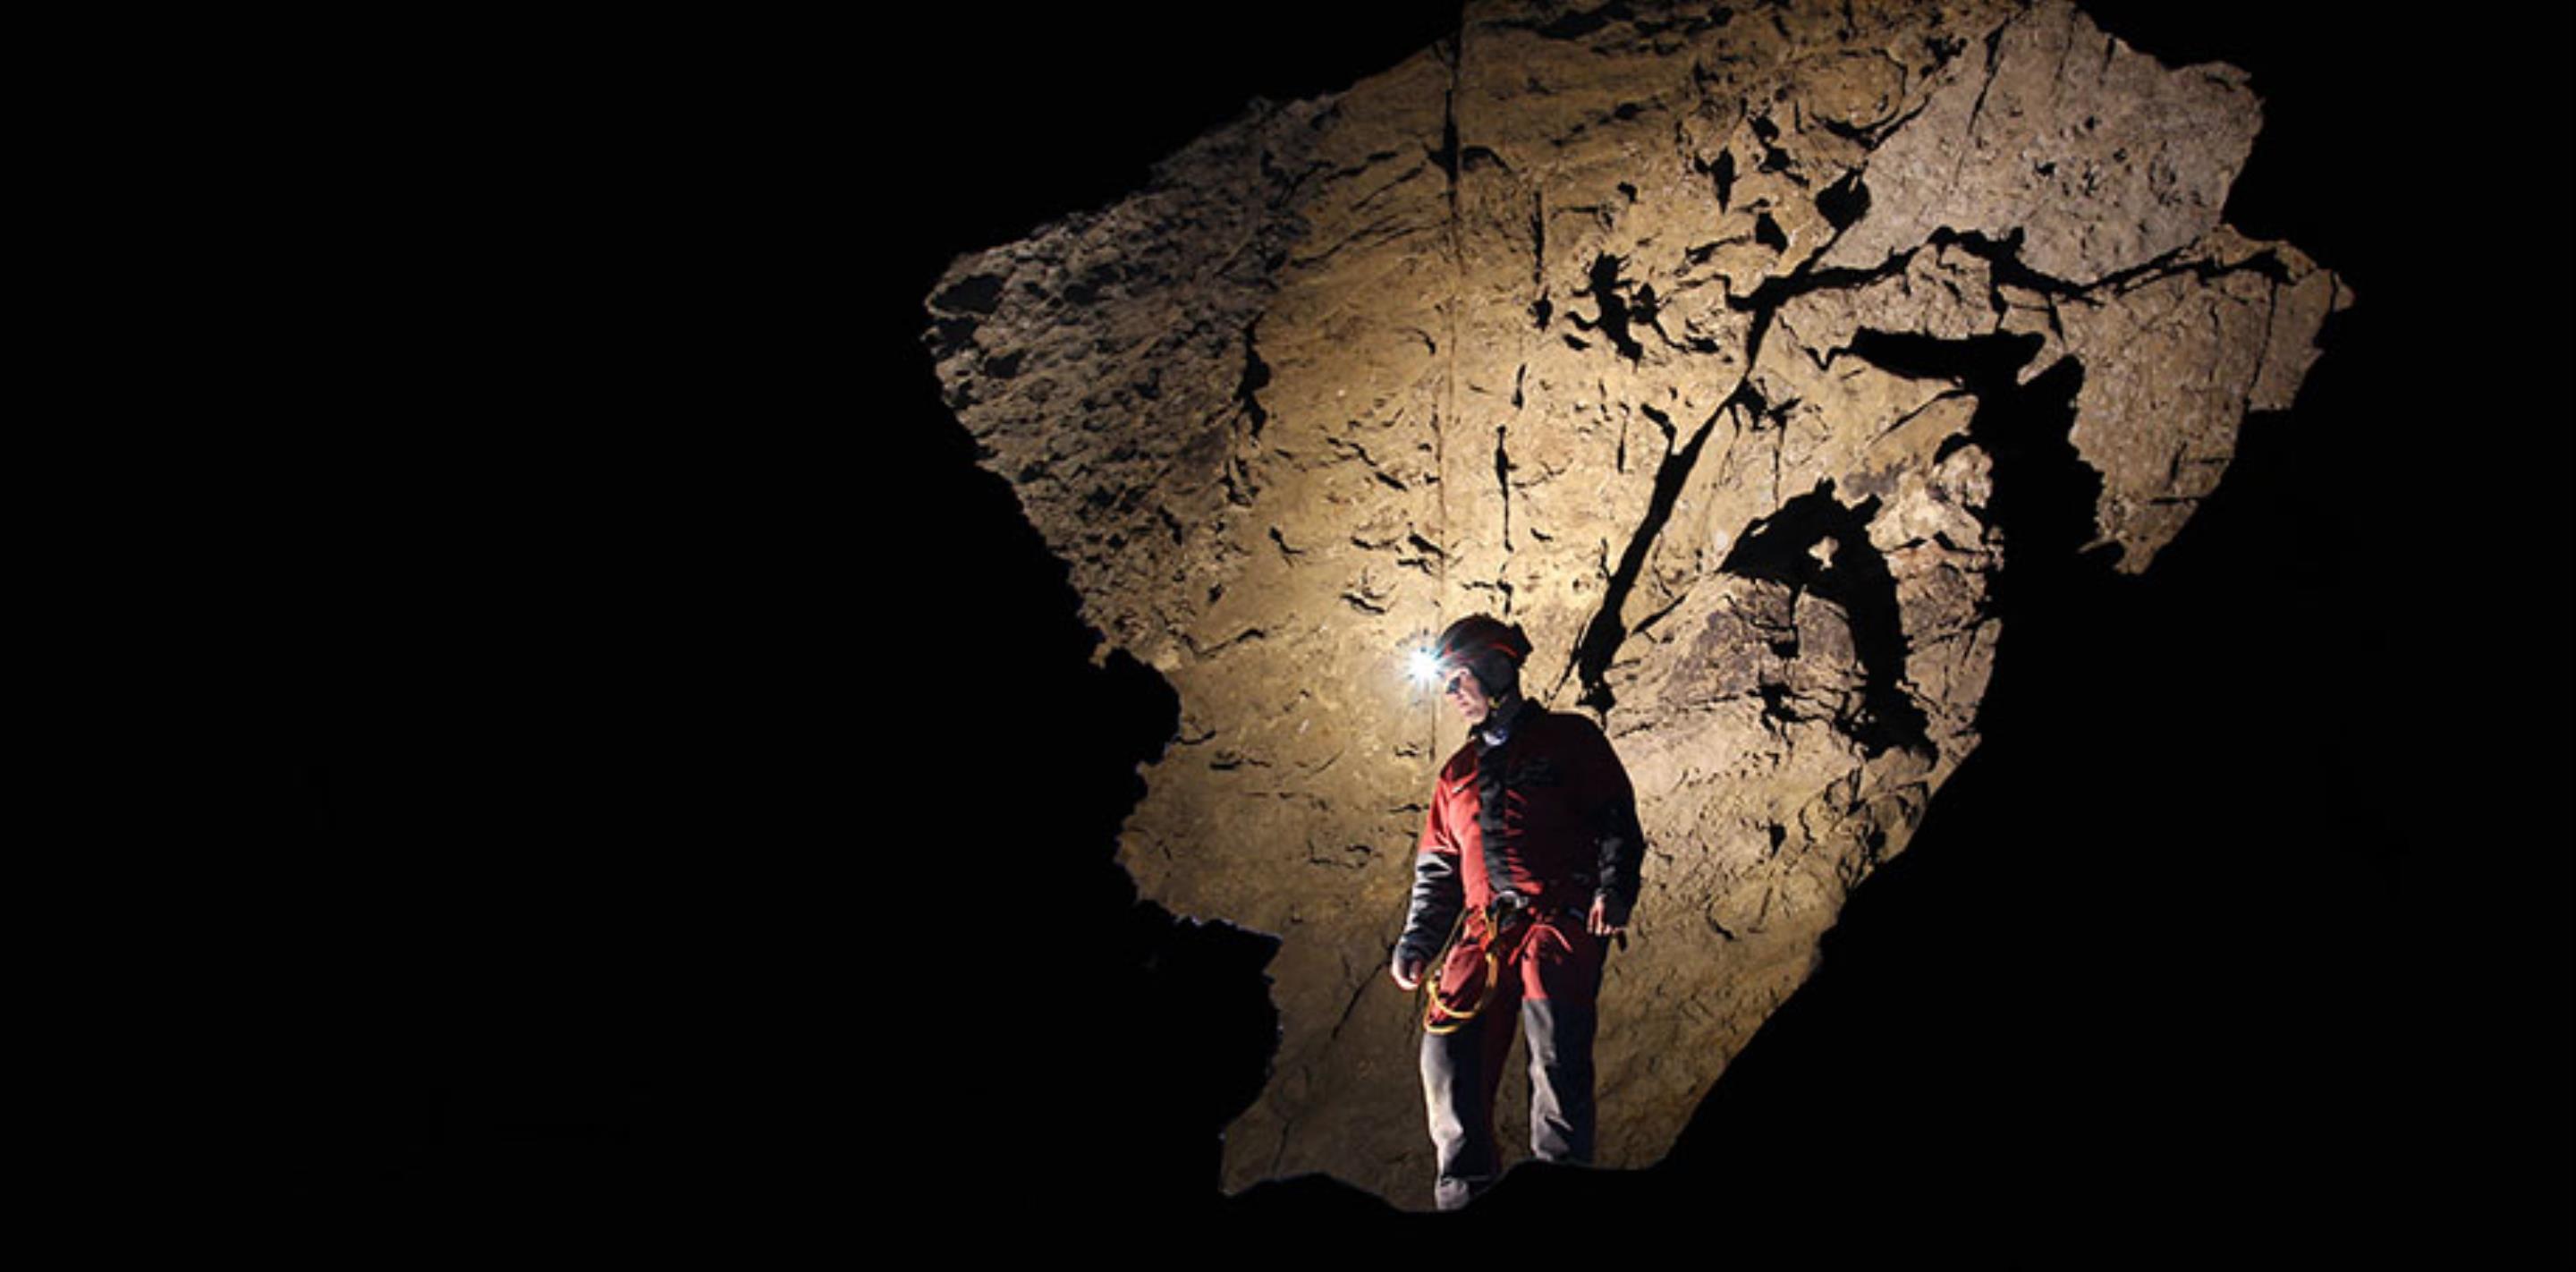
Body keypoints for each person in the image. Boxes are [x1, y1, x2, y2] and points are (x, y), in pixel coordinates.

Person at [1389, 615, 1648, 1210]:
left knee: (1555, 1058)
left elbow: (1616, 820)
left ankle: (1559, 1197)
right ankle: (1465, 1197)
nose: (1452, 694)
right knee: (1446, 1054)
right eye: (1446, 684)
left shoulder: (1569, 739)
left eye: (1459, 679)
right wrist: (1417, 942)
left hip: (1557, 920)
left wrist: (1614, 889)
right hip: (1484, 931)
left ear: (1495, 669)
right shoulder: (1457, 773)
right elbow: (1438, 871)